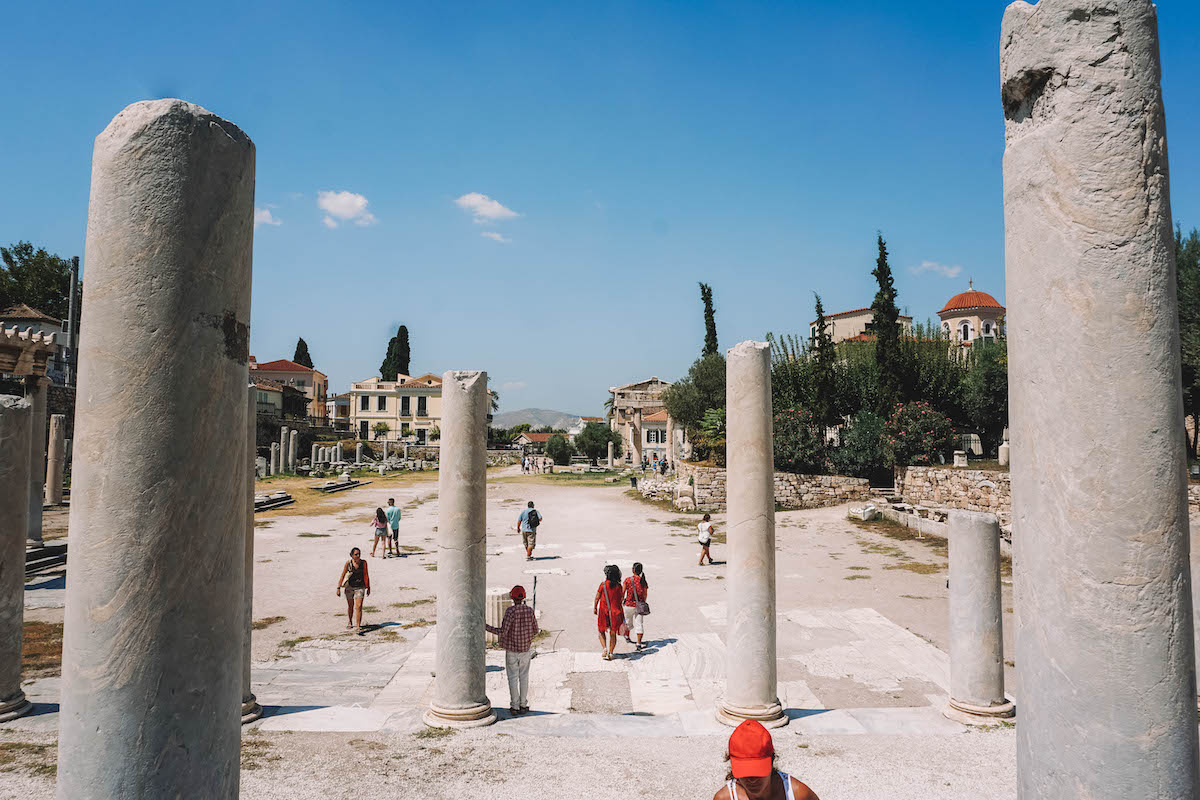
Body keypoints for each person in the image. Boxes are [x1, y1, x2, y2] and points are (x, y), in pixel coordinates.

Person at [713, 719, 820, 800]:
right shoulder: (724, 798)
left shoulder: (798, 794)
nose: (752, 780)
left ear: (772, 760)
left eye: (757, 771)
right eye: (745, 773)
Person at [484, 585, 539, 716]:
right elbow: (535, 630)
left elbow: (503, 631)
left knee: (513, 678)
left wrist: (486, 627)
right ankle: (523, 705)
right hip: (525, 649)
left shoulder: (510, 611)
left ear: (512, 597)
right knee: (524, 677)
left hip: (512, 651)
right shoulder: (530, 610)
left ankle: (515, 706)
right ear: (524, 596)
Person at [593, 564, 625, 660]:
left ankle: (604, 648)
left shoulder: (603, 585)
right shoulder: (619, 586)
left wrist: (595, 607)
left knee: (601, 631)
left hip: (604, 611)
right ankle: (611, 653)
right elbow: (621, 599)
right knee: (613, 633)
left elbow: (597, 597)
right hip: (615, 612)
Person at [336, 547, 371, 632]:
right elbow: (343, 575)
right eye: (356, 554)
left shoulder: (364, 563)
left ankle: (358, 626)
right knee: (350, 606)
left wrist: (368, 587)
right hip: (349, 587)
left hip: (360, 587)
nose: (358, 556)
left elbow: (366, 574)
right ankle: (350, 621)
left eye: (359, 554)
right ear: (351, 555)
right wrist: (338, 587)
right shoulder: (348, 563)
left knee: (359, 606)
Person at [622, 562, 649, 651]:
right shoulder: (643, 581)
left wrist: (621, 601)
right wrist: (643, 602)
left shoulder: (627, 580)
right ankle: (638, 643)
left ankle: (627, 636)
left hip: (628, 605)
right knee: (639, 624)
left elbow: (622, 593)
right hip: (639, 606)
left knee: (627, 622)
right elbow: (645, 594)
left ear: (633, 570)